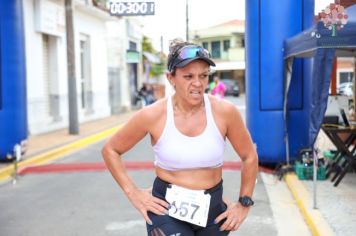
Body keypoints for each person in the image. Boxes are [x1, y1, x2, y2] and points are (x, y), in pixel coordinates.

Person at [101, 38, 258, 236]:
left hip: (213, 210)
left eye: (203, 75)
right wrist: (133, 193)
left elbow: (249, 156)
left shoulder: (225, 112)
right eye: (188, 76)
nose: (198, 83)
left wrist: (244, 203)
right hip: (166, 209)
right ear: (171, 78)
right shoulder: (153, 115)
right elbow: (111, 150)